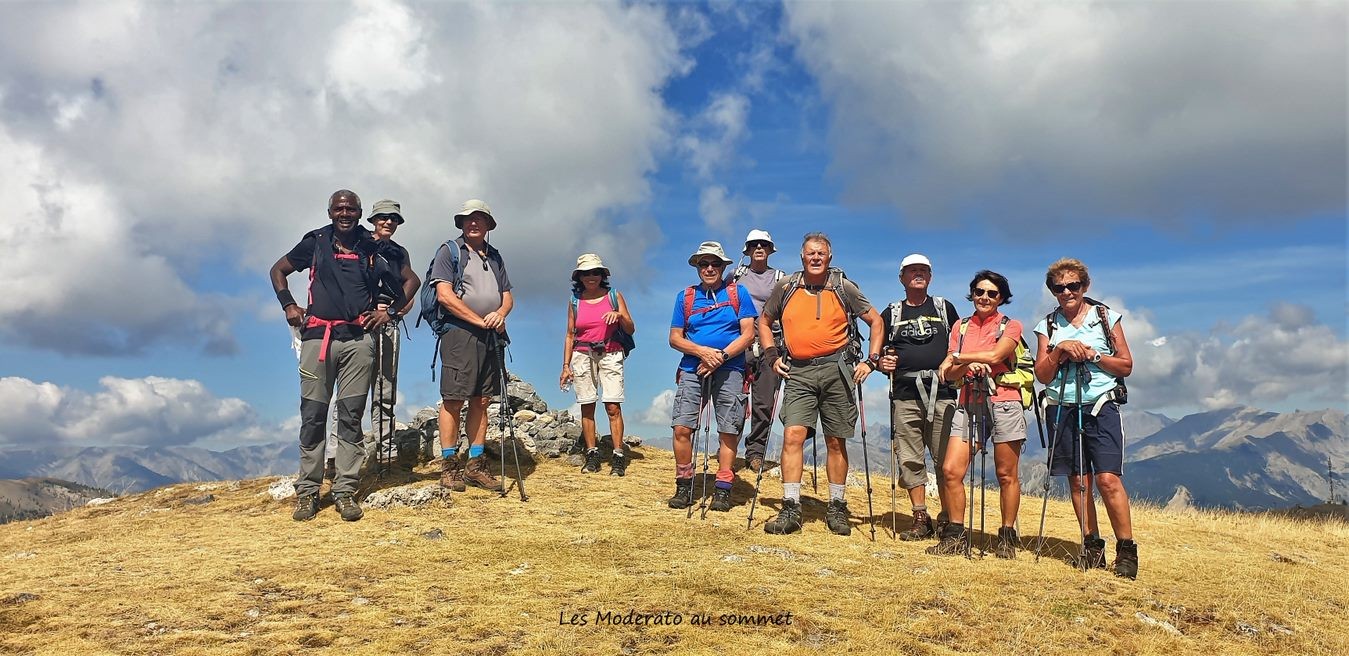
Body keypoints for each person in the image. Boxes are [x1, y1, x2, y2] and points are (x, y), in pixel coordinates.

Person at [269, 189, 401, 522]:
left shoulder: (371, 246)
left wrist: (389, 312)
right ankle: (308, 492)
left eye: (351, 209)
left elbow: (409, 280)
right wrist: (288, 305)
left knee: (351, 417)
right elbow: (278, 270)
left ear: (359, 212)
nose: (345, 214)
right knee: (313, 415)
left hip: (358, 341)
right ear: (330, 212)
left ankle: (344, 491)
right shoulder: (315, 242)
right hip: (318, 339)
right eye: (339, 209)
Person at [757, 232, 884, 535]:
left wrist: (871, 361)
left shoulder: (843, 287)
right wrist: (771, 355)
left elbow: (876, 322)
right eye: (811, 253)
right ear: (802, 256)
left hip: (837, 369)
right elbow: (764, 321)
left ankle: (837, 507)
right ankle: (791, 506)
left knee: (836, 440)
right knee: (793, 436)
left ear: (829, 257)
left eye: (821, 253)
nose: (815, 258)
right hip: (798, 371)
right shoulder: (786, 287)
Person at [1032, 258, 1137, 579]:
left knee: (1107, 479)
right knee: (1078, 481)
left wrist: (1094, 355)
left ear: (1085, 286)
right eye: (1059, 288)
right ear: (1053, 291)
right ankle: (1092, 546)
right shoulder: (1048, 326)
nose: (1067, 292)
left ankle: (1126, 550)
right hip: (1062, 406)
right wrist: (1059, 350)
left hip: (1101, 405)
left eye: (1073, 286)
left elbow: (1126, 365)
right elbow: (1042, 375)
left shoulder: (1105, 317)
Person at [927, 270, 1027, 558]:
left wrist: (959, 358)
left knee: (1006, 474)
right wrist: (964, 365)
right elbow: (947, 374)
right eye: (979, 292)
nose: (984, 297)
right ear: (972, 294)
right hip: (968, 401)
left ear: (1001, 298)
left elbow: (996, 356)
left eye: (992, 293)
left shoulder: (1011, 326)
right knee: (951, 471)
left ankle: (1007, 536)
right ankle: (955, 535)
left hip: (1004, 401)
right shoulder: (960, 327)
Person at [429, 199, 513, 494]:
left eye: (479, 218)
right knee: (453, 399)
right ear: (461, 223)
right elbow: (444, 295)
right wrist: (480, 321)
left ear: (488, 225)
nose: (473, 223)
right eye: (468, 218)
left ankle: (475, 465)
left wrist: (500, 314)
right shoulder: (449, 251)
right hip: (460, 333)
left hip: (490, 334)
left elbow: (507, 296)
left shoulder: (495, 256)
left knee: (482, 399)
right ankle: (449, 466)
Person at [666, 241, 757, 512]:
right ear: (697, 267)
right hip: (693, 367)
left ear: (723, 267)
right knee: (682, 427)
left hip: (731, 368)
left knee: (729, 429)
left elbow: (748, 334)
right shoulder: (685, 297)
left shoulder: (738, 293)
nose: (709, 268)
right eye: (704, 264)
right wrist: (703, 352)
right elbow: (674, 338)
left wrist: (721, 357)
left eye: (715, 264)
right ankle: (684, 484)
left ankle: (723, 487)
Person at [877, 253, 960, 541]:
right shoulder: (891, 313)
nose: (918, 274)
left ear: (931, 276)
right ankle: (920, 516)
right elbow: (878, 353)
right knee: (910, 458)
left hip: (943, 394)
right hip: (905, 395)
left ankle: (949, 518)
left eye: (923, 270)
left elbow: (958, 346)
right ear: (902, 277)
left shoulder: (944, 308)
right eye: (912, 270)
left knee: (945, 459)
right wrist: (881, 363)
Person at [560, 253, 636, 476]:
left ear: (602, 275)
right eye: (586, 273)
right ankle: (591, 453)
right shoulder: (575, 301)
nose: (591, 277)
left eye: (595, 272)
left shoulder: (614, 296)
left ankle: (618, 455)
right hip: (582, 354)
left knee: (613, 405)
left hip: (611, 352)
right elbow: (570, 334)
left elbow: (630, 328)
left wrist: (619, 315)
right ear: (579, 277)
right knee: (587, 405)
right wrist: (565, 366)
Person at [364, 199, 419, 472]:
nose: (388, 222)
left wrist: (395, 311)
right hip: (360, 322)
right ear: (373, 219)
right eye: (383, 217)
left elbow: (412, 285)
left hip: (388, 324)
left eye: (394, 218)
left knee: (385, 390)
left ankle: (387, 454)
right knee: (352, 392)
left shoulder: (399, 253)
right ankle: (337, 457)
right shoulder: (358, 243)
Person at [728, 229, 786, 475]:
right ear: (748, 250)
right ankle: (728, 450)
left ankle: (755, 453)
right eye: (754, 245)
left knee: (764, 403)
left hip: (770, 345)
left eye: (763, 244)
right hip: (740, 344)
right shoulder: (735, 275)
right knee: (734, 400)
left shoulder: (782, 279)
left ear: (770, 249)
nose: (759, 248)